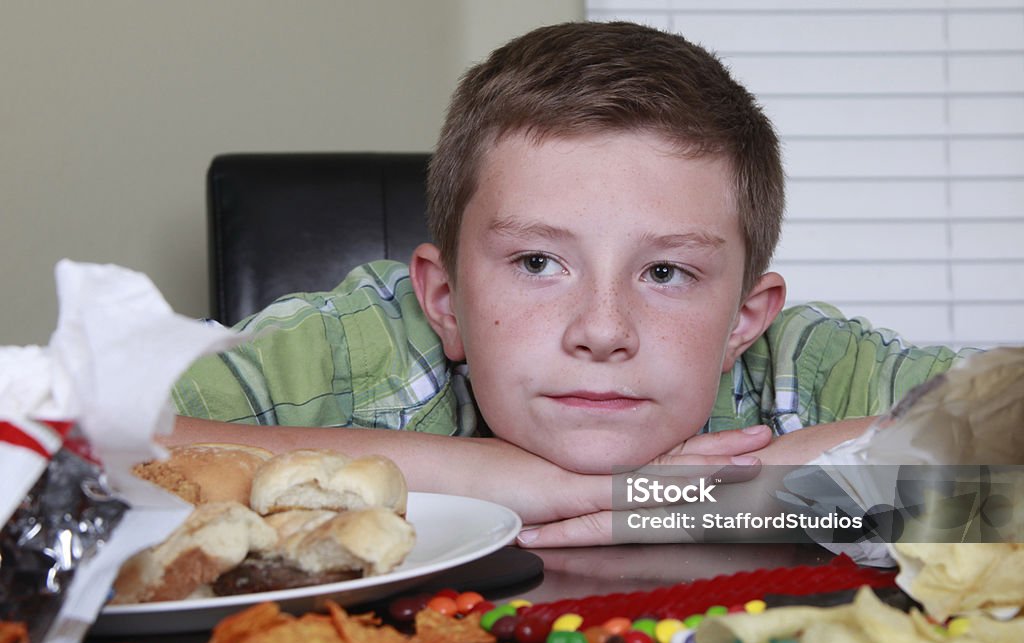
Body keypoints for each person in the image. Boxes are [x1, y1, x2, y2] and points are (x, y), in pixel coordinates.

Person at [169, 21, 967, 547]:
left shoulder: (805, 367)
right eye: (538, 263)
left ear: (742, 322)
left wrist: (706, 498)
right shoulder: (352, 349)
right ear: (444, 302)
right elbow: (70, 455)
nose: (603, 329)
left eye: (665, 272)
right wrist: (485, 479)